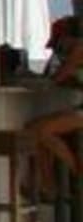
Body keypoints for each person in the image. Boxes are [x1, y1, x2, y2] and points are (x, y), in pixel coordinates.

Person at [24, 15, 83, 179]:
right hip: (76, 108)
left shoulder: (79, 49)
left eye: (59, 42)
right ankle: (47, 183)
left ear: (67, 37)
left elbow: (59, 77)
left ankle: (77, 173)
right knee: (32, 129)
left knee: (43, 131)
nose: (58, 48)